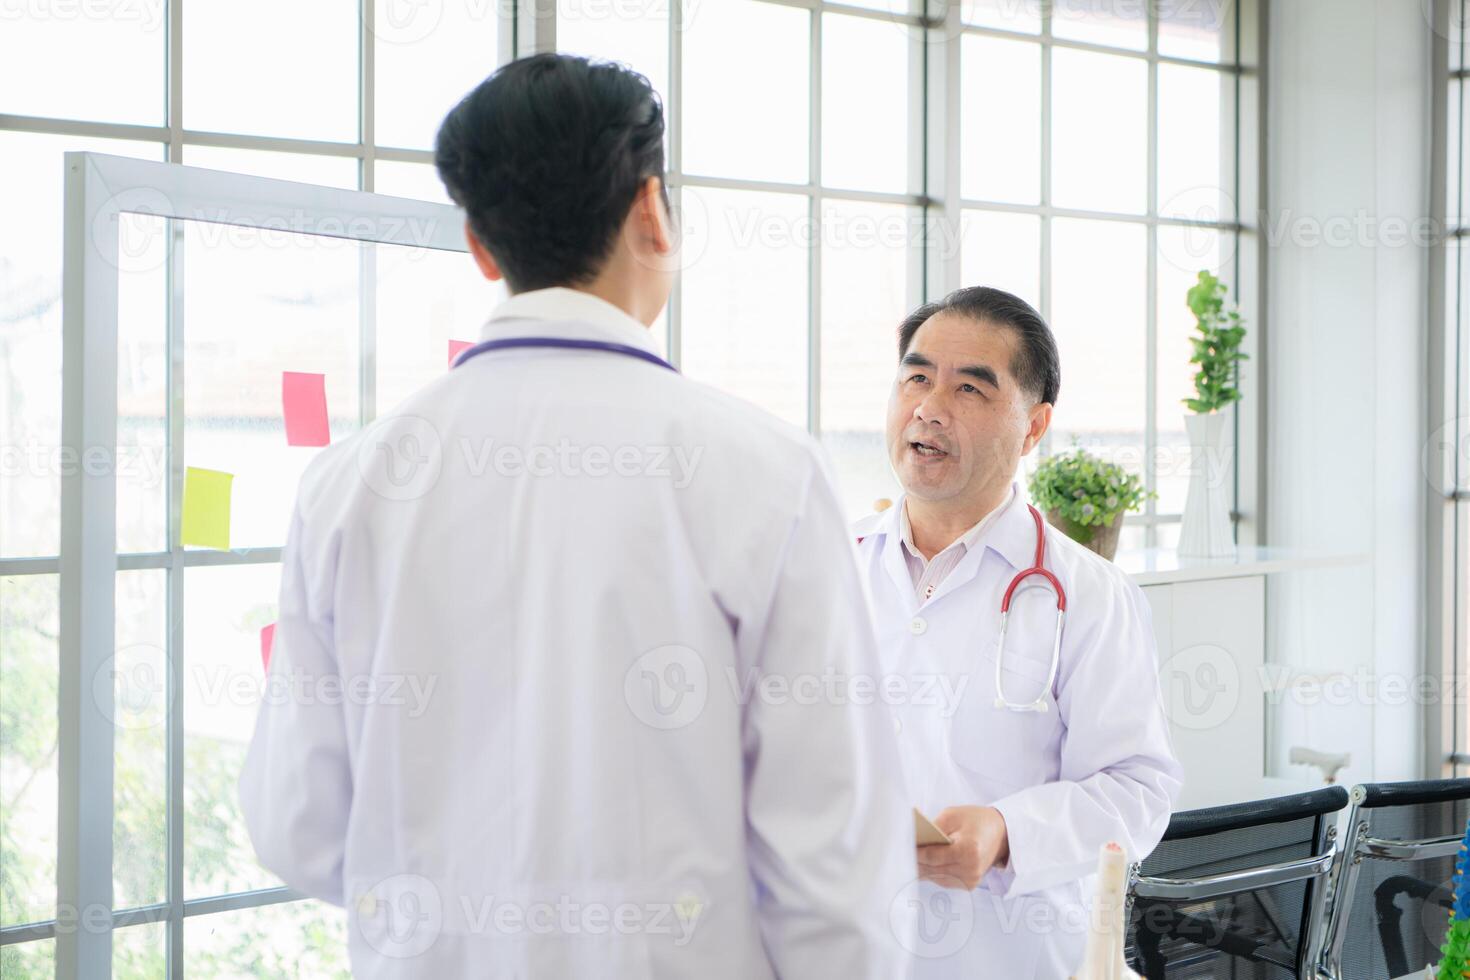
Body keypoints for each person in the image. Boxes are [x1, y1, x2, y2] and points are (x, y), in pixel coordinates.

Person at [240, 53, 913, 979]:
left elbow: (300, 828)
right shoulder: (763, 472)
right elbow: (834, 866)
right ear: (651, 211)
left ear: (479, 245)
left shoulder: (349, 484)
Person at [850, 286, 1183, 978]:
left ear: (1034, 427)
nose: (929, 407)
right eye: (916, 377)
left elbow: (1138, 790)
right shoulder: (826, 568)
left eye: (971, 389)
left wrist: (1008, 832)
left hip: (1011, 956)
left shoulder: (1090, 595)